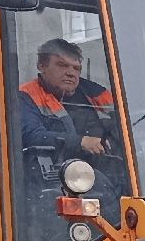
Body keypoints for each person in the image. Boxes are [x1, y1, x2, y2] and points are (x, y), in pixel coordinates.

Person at [16, 38, 120, 167]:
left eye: (76, 68)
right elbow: (32, 136)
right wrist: (80, 142)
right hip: (58, 176)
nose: (71, 73)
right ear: (41, 66)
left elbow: (125, 123)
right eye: (62, 65)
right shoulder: (25, 96)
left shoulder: (95, 93)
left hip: (110, 169)